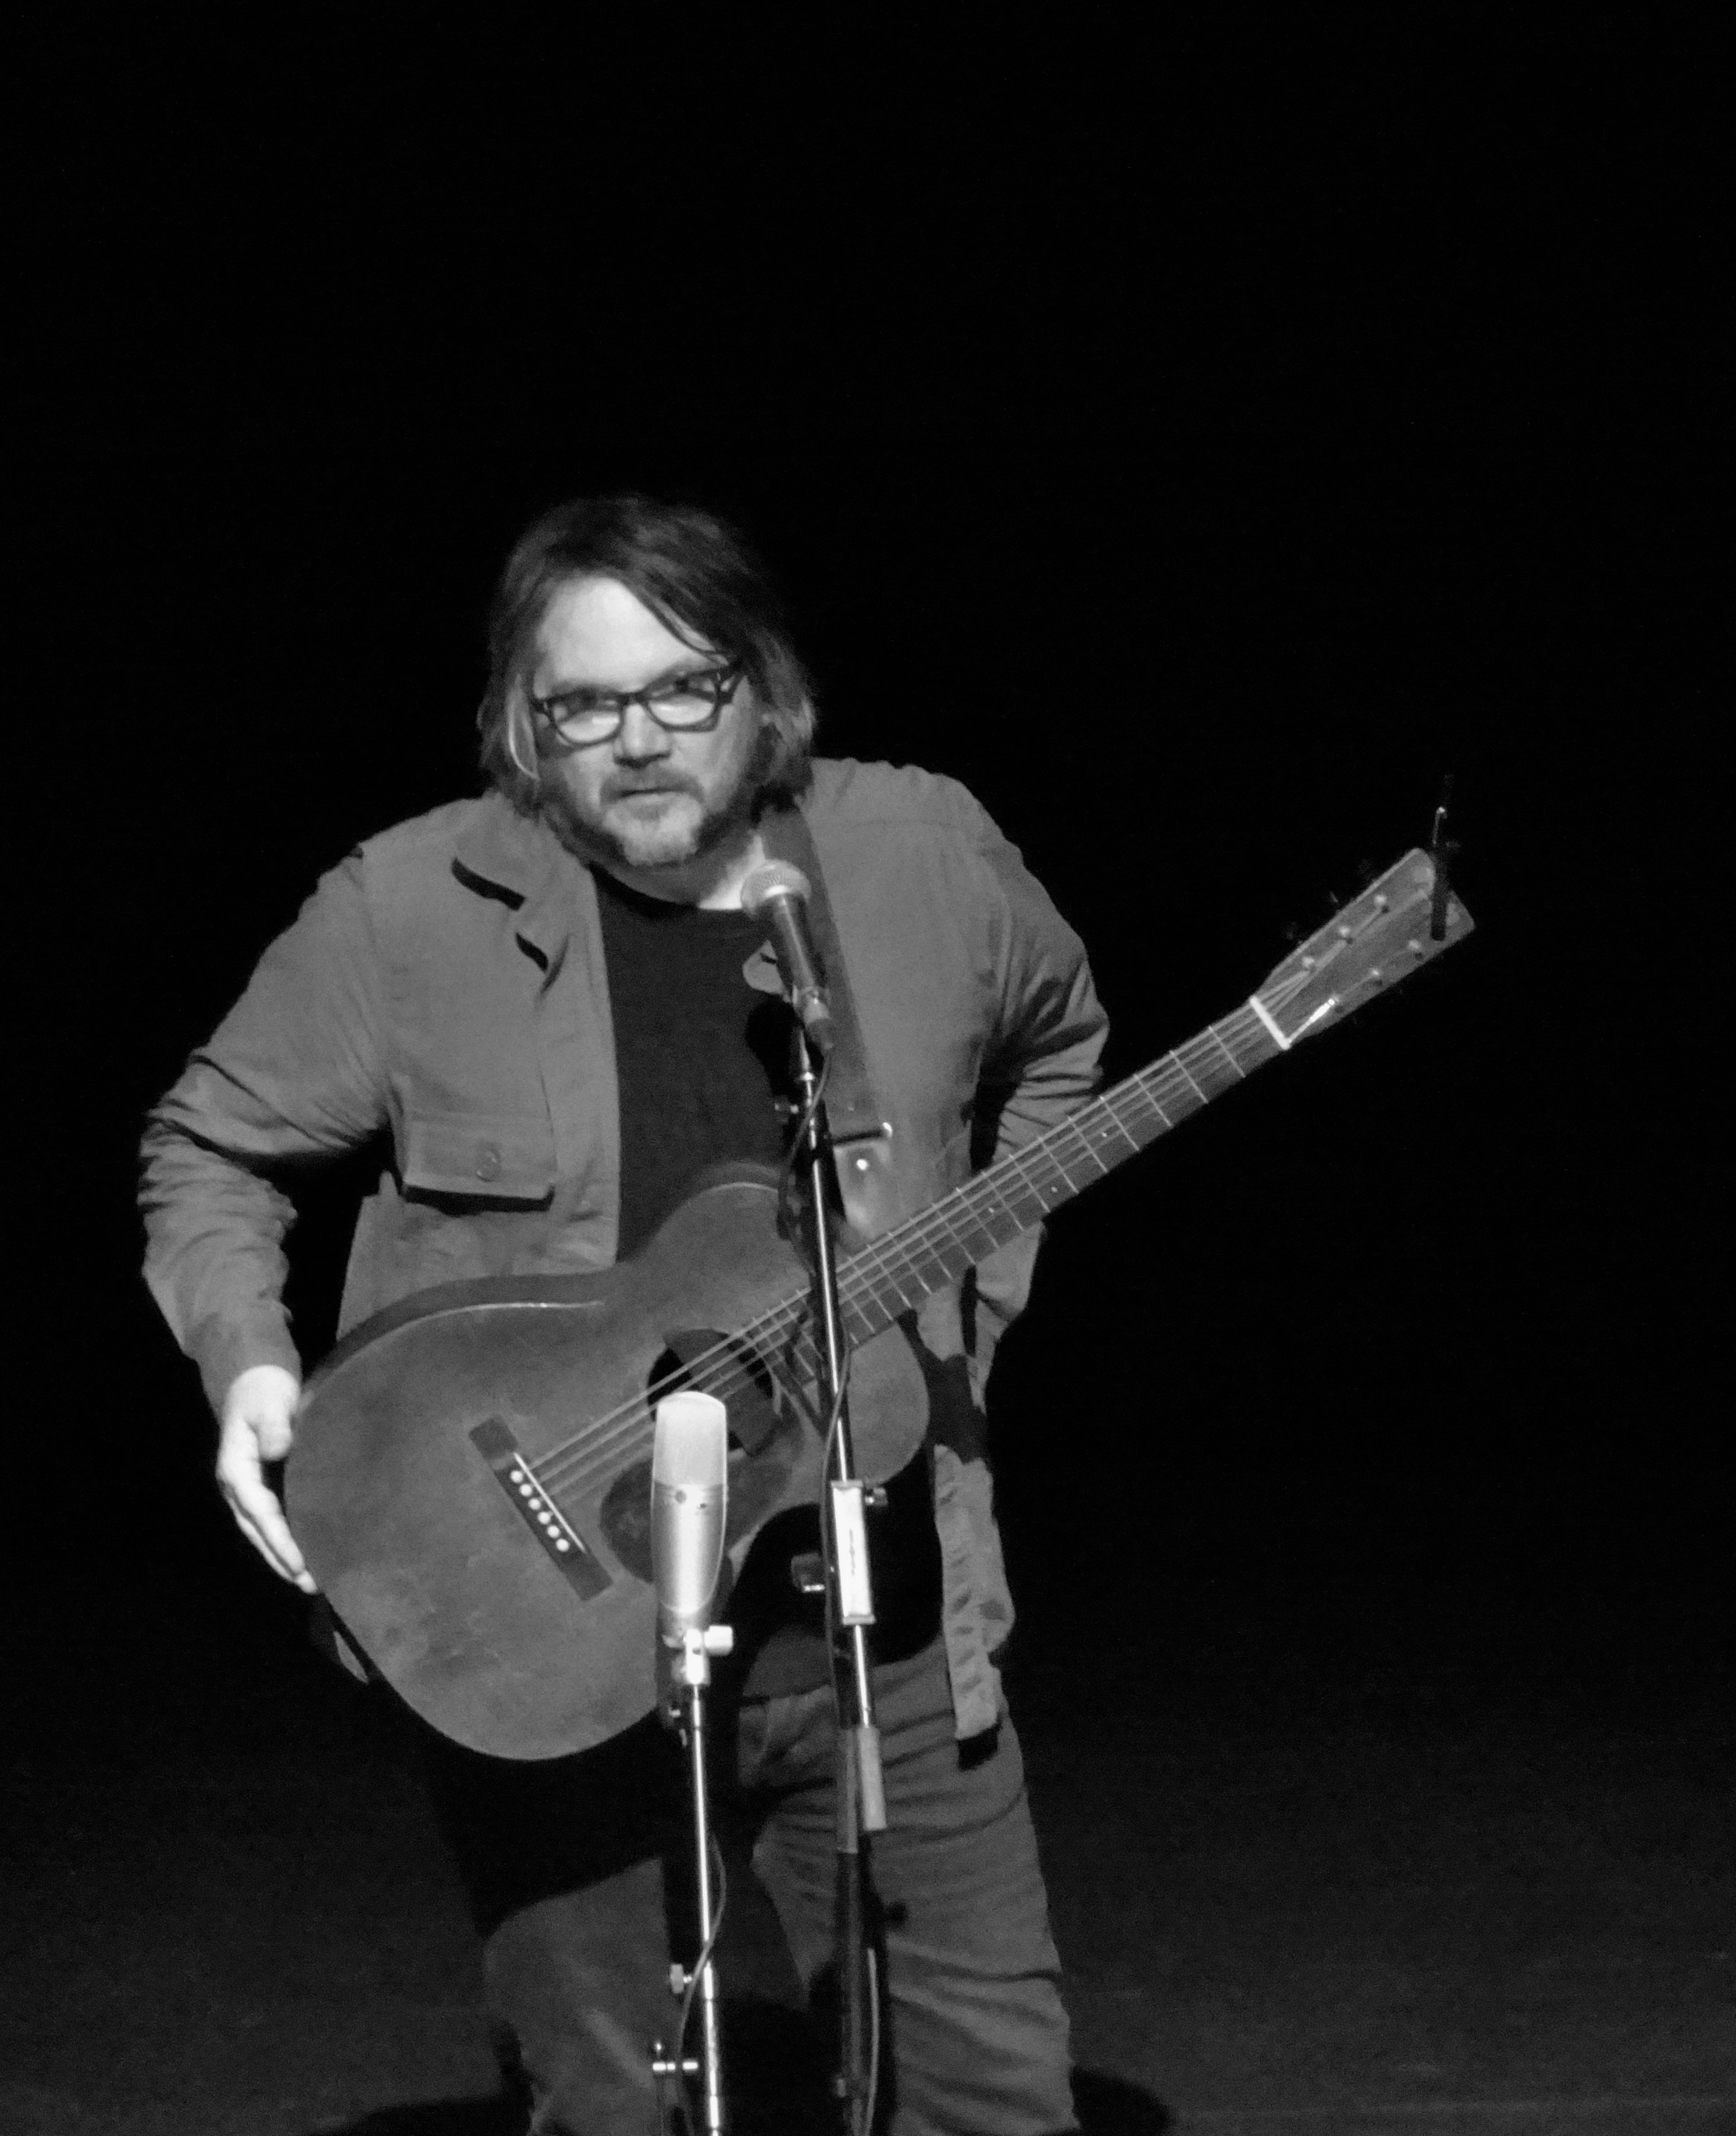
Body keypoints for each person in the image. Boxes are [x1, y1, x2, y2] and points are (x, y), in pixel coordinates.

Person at [139, 494, 1106, 2135]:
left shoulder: (921, 853)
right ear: (527, 719)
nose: (638, 741)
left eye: (684, 689)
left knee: (993, 2100)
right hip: (553, 1639)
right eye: (584, 704)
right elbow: (209, 1145)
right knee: (620, 2108)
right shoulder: (409, 908)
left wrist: (955, 1329)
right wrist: (247, 1359)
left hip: (887, 1628)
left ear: (764, 689)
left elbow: (1063, 1050)